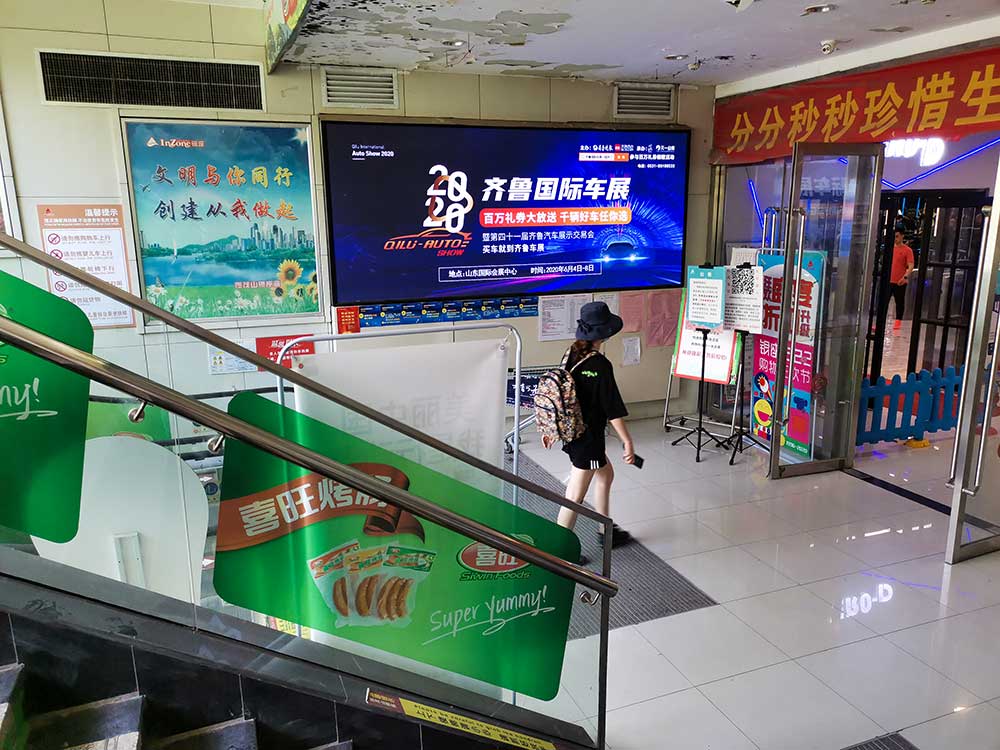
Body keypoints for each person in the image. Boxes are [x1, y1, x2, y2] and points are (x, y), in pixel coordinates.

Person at [542, 300, 635, 546]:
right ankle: (559, 548)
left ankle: (606, 531)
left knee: (606, 475)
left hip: (572, 432)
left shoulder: (571, 354)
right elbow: (612, 408)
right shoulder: (600, 365)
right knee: (575, 495)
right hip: (588, 438)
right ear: (604, 333)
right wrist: (627, 442)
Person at [889, 229, 915, 331]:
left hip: (899, 281)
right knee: (884, 302)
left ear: (902, 236)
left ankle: (898, 321)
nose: (895, 239)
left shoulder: (907, 250)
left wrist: (905, 277)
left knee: (899, 302)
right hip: (889, 280)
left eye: (897, 236)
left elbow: (911, 265)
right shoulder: (890, 249)